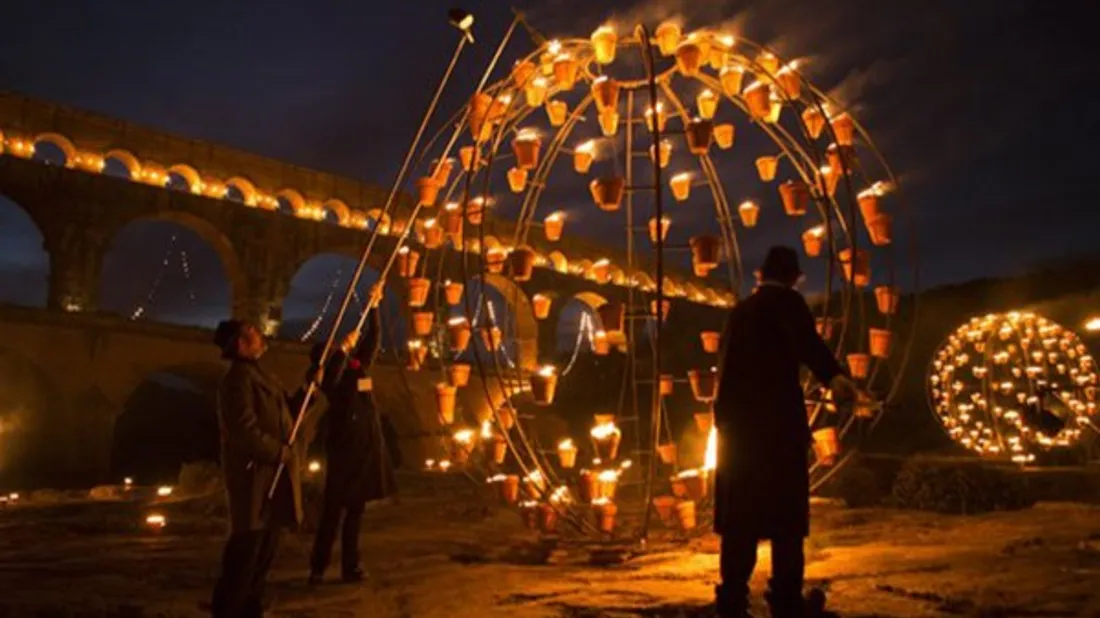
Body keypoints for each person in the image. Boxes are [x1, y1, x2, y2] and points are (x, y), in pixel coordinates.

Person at [712, 246, 857, 618]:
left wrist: (724, 423)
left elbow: (725, 370)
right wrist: (836, 378)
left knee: (740, 519)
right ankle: (786, 600)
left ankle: (731, 600)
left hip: (740, 432)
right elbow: (809, 346)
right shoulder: (789, 305)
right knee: (786, 518)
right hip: (779, 430)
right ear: (794, 278)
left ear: (761, 275)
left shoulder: (741, 312)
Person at [210, 320, 322, 618]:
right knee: (244, 555)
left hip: (273, 478)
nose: (261, 336)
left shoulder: (263, 376)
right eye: (253, 334)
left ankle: (251, 608)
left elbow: (289, 416)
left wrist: (309, 389)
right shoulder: (236, 381)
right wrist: (280, 453)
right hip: (254, 480)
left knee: (264, 554)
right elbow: (244, 432)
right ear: (240, 345)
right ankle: (229, 610)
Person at [309, 304, 401, 585]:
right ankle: (318, 568)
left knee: (355, 516)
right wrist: (340, 351)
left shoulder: (355, 366)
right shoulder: (326, 374)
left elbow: (373, 341)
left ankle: (352, 566)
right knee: (332, 515)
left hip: (365, 450)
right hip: (344, 453)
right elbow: (331, 379)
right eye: (334, 349)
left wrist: (374, 307)